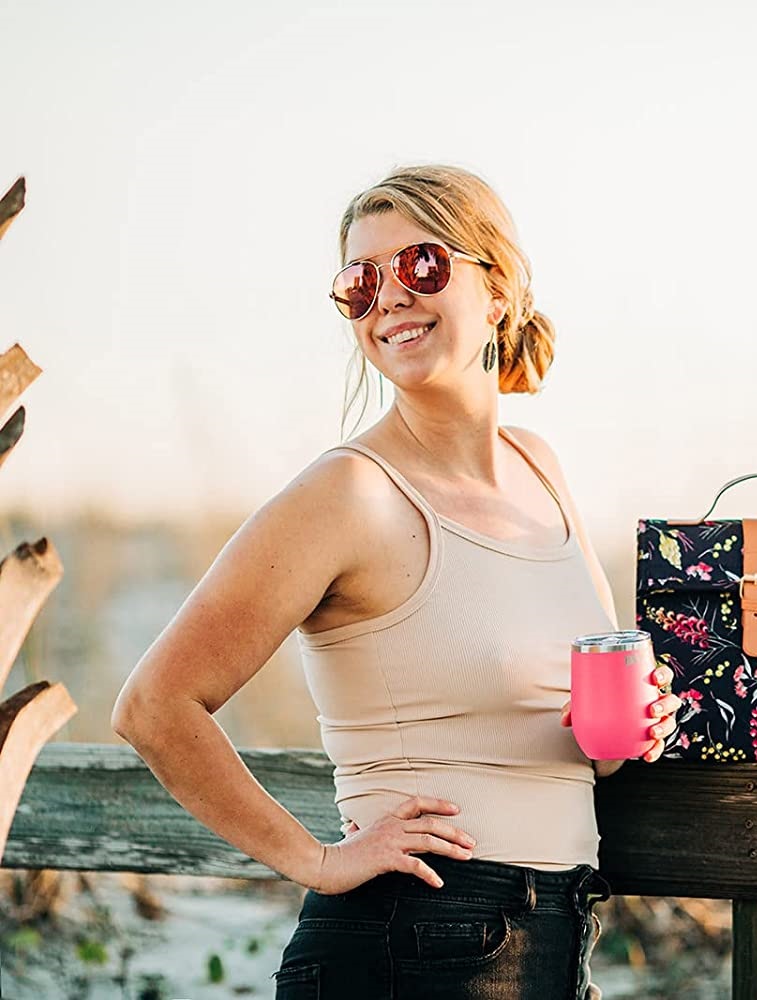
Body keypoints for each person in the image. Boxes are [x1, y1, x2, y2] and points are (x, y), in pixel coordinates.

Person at [110, 163, 682, 999]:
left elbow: (572, 747)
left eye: (419, 265)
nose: (388, 298)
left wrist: (632, 729)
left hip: (554, 935)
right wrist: (318, 860)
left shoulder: (542, 469)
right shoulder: (349, 493)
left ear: (498, 289)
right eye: (360, 280)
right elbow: (154, 707)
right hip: (411, 942)